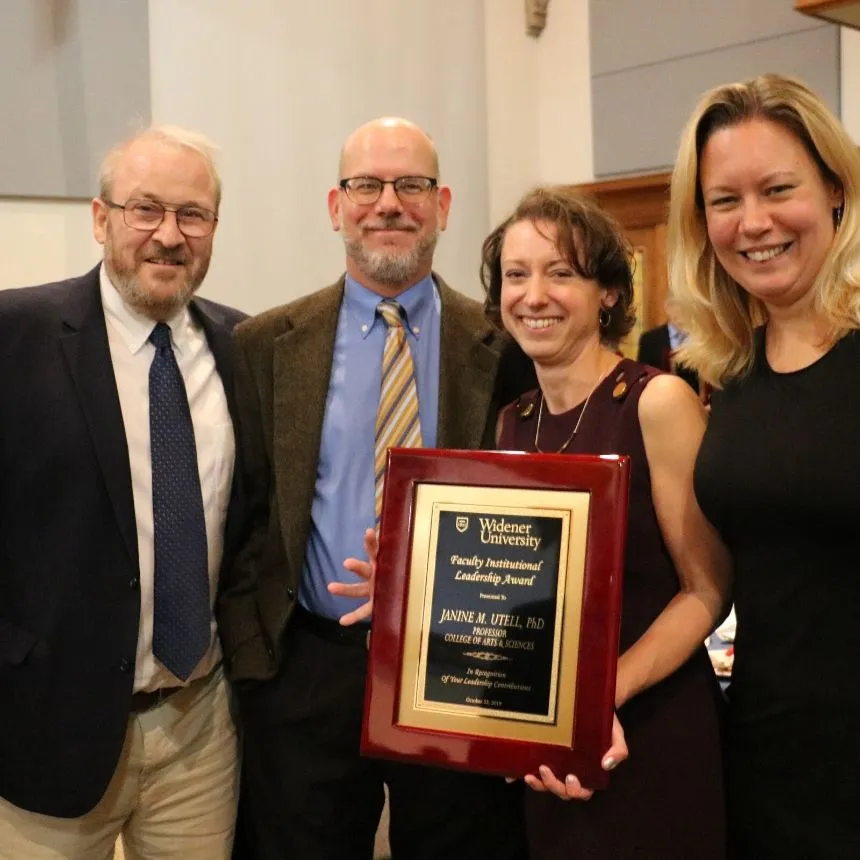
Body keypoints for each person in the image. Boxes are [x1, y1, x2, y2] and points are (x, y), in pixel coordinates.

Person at [218, 117, 533, 860]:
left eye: (411, 185)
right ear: (337, 207)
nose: (388, 203)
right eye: (366, 185)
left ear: (442, 205)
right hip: (309, 667)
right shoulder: (265, 344)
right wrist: (257, 661)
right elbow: (245, 515)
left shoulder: (502, 345)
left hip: (455, 666)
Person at [0, 127, 246, 859]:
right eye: (146, 208)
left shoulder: (241, 345)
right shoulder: (14, 337)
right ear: (101, 217)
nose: (169, 235)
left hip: (200, 732)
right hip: (47, 726)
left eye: (192, 214)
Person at [483, 187, 731, 858]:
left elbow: (707, 589)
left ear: (609, 294)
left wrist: (596, 697)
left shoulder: (657, 401)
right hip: (555, 737)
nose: (534, 295)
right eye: (516, 274)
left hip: (653, 728)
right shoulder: (513, 423)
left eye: (561, 272)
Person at [667, 72, 860, 857]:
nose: (754, 223)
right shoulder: (732, 372)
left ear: (836, 191)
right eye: (725, 200)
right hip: (767, 758)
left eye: (779, 189)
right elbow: (707, 573)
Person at [637, 298, 699, 393]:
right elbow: (642, 376)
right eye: (678, 305)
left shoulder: (699, 339)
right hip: (658, 395)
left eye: (686, 306)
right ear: (667, 307)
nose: (682, 311)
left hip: (693, 396)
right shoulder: (649, 339)